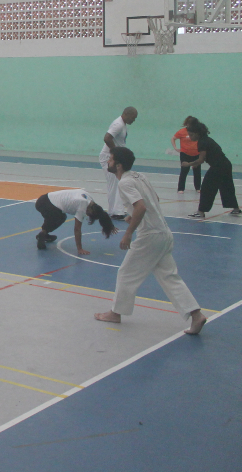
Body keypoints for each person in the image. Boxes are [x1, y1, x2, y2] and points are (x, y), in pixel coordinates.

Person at [95, 147, 207, 335]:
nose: (108, 162)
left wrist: (128, 233)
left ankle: (116, 313)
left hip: (150, 237)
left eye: (111, 159)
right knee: (170, 277)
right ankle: (196, 315)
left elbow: (141, 207)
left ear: (119, 165)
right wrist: (132, 216)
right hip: (164, 233)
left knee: (125, 273)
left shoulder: (125, 183)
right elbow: (153, 199)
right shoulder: (139, 176)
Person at [181, 120, 240, 219]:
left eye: (191, 135)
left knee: (207, 188)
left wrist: (188, 164)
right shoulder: (207, 139)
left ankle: (200, 212)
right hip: (226, 164)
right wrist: (195, 164)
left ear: (197, 133)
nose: (190, 137)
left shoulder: (202, 142)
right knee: (227, 187)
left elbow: (201, 159)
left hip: (218, 166)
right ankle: (236, 209)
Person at [33, 189, 117, 253]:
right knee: (58, 217)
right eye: (88, 214)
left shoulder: (90, 200)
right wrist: (79, 248)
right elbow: (77, 229)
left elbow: (102, 214)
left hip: (45, 199)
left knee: (59, 217)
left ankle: (44, 234)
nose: (87, 215)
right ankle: (43, 233)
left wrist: (110, 226)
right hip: (45, 204)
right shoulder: (83, 207)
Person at [99, 107, 137, 220]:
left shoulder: (123, 124)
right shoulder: (118, 124)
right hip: (109, 157)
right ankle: (116, 211)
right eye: (133, 118)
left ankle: (114, 210)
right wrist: (116, 153)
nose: (134, 120)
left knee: (116, 183)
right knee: (115, 184)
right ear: (126, 114)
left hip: (114, 157)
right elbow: (107, 138)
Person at [172, 116, 202, 194]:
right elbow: (173, 138)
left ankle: (198, 187)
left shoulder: (198, 131)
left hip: (196, 153)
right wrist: (175, 148)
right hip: (185, 154)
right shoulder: (182, 131)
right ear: (187, 124)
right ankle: (181, 188)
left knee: (197, 171)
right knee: (184, 171)